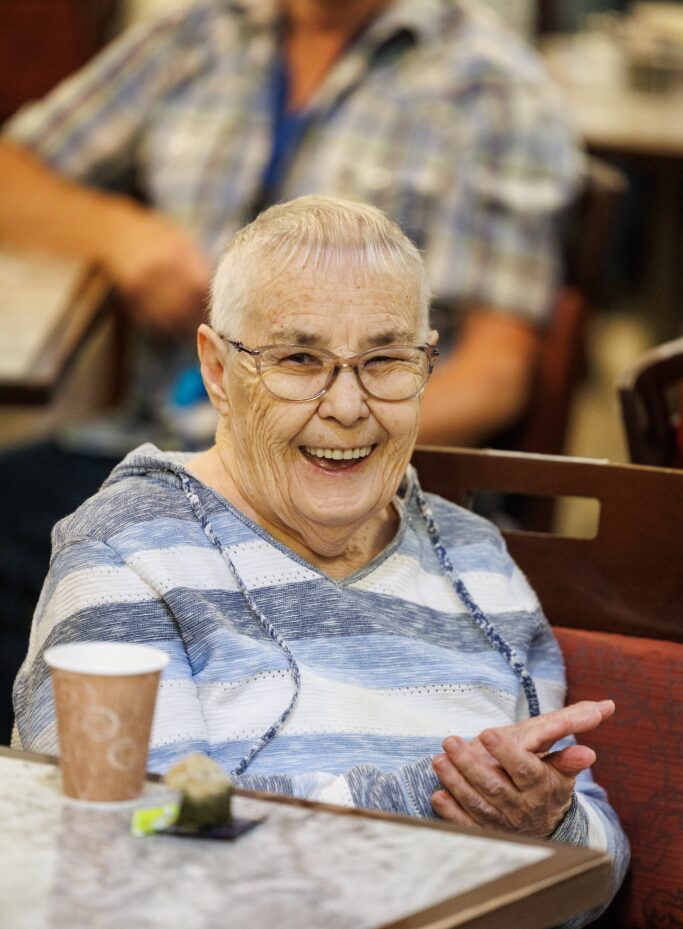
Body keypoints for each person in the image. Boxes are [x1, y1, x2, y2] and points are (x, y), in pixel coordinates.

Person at [13, 197, 681, 929]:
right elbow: (133, 835)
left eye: (386, 360)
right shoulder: (129, 544)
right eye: (299, 359)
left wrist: (542, 828)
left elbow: (594, 873)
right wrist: (425, 807)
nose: (347, 405)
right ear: (218, 370)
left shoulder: (475, 557)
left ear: (428, 362)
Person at [0, 0, 582, 731]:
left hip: (338, 475)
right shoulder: (196, 32)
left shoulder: (490, 88)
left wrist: (340, 433)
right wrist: (119, 233)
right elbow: (11, 169)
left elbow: (500, 369)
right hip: (153, 442)